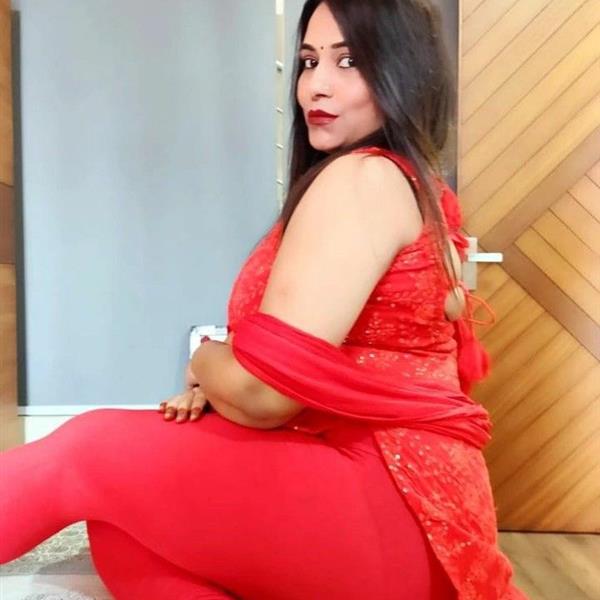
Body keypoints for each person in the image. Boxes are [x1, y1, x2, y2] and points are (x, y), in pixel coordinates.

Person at [0, 1, 528, 598]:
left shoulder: (365, 180)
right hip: (400, 502)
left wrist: (203, 358)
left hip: (396, 501)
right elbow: (295, 374)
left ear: (402, 72)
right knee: (123, 532)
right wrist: (223, 383)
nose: (316, 85)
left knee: (85, 451)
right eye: (308, 61)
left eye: (348, 61)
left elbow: (263, 396)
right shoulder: (397, 180)